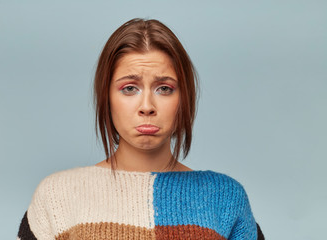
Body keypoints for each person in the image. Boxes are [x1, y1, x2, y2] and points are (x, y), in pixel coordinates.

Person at [17, 18, 264, 240]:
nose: (147, 106)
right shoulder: (56, 195)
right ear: (107, 97)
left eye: (164, 88)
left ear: (184, 99)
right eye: (129, 88)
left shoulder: (226, 198)